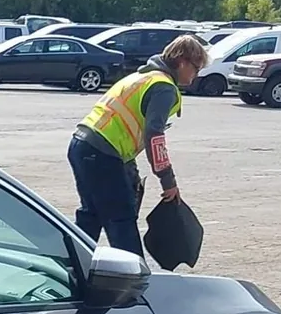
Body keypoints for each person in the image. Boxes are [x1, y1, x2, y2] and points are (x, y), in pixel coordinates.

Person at [67, 35, 209, 260]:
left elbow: (125, 128)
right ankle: (134, 276)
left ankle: (71, 265)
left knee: (91, 215)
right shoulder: (164, 88)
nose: (196, 75)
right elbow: (154, 135)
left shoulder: (143, 76)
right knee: (121, 219)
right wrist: (168, 181)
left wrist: (129, 169)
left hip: (82, 144)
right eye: (196, 68)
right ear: (182, 62)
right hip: (102, 152)